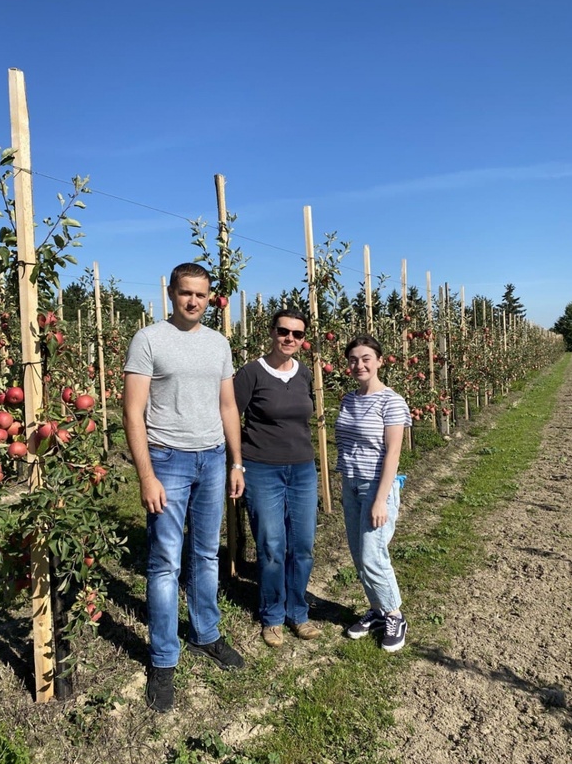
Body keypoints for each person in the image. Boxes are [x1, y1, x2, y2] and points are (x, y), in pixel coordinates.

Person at [123, 262, 245, 713]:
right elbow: (133, 413)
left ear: (210, 297)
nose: (193, 301)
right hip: (168, 459)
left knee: (207, 553)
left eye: (201, 294)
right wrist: (146, 475)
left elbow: (228, 405)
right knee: (164, 562)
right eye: (185, 293)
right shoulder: (149, 339)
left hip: (213, 458)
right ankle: (162, 657)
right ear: (171, 293)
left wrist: (237, 462)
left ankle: (205, 634)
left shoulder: (218, 343)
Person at [234, 309, 320, 648]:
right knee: (271, 545)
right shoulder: (251, 374)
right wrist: (236, 465)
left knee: (302, 546)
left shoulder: (306, 374)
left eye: (297, 335)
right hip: (262, 468)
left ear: (303, 340)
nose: (290, 339)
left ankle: (298, 612)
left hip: (302, 468)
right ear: (271, 332)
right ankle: (271, 615)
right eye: (284, 331)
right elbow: (231, 419)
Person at [334, 334, 412, 652]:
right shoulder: (349, 399)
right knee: (359, 554)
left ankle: (394, 614)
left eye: (366, 358)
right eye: (353, 359)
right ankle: (378, 611)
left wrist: (381, 498)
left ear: (380, 361)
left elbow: (393, 453)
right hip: (350, 484)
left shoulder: (392, 401)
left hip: (375, 487)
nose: (359, 364)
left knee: (372, 554)